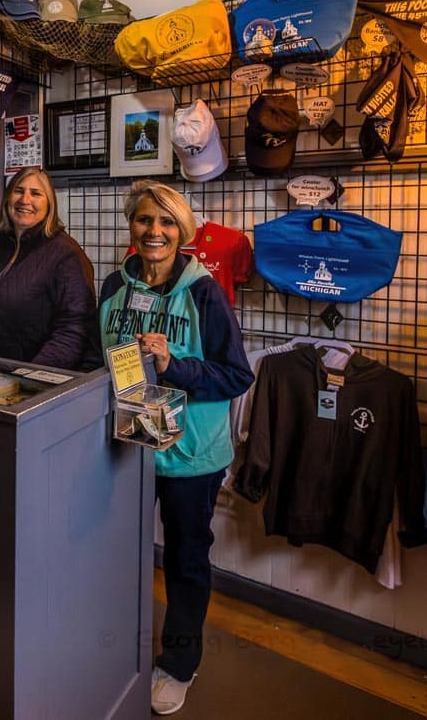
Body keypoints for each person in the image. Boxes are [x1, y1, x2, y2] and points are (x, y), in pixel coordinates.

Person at [97, 181, 253, 716]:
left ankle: (180, 662)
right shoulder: (115, 285)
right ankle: (115, 649)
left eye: (166, 223)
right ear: (132, 226)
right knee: (120, 554)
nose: (154, 232)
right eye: (144, 221)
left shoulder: (204, 291)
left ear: (182, 231)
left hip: (190, 457)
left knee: (186, 559)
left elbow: (236, 375)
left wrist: (173, 365)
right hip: (129, 447)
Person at [0, 166, 96, 369]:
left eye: (36, 193)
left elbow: (74, 330)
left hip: (36, 382)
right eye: (19, 190)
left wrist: (30, 376)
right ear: (7, 198)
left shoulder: (66, 254)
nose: (25, 200)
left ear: (49, 204)